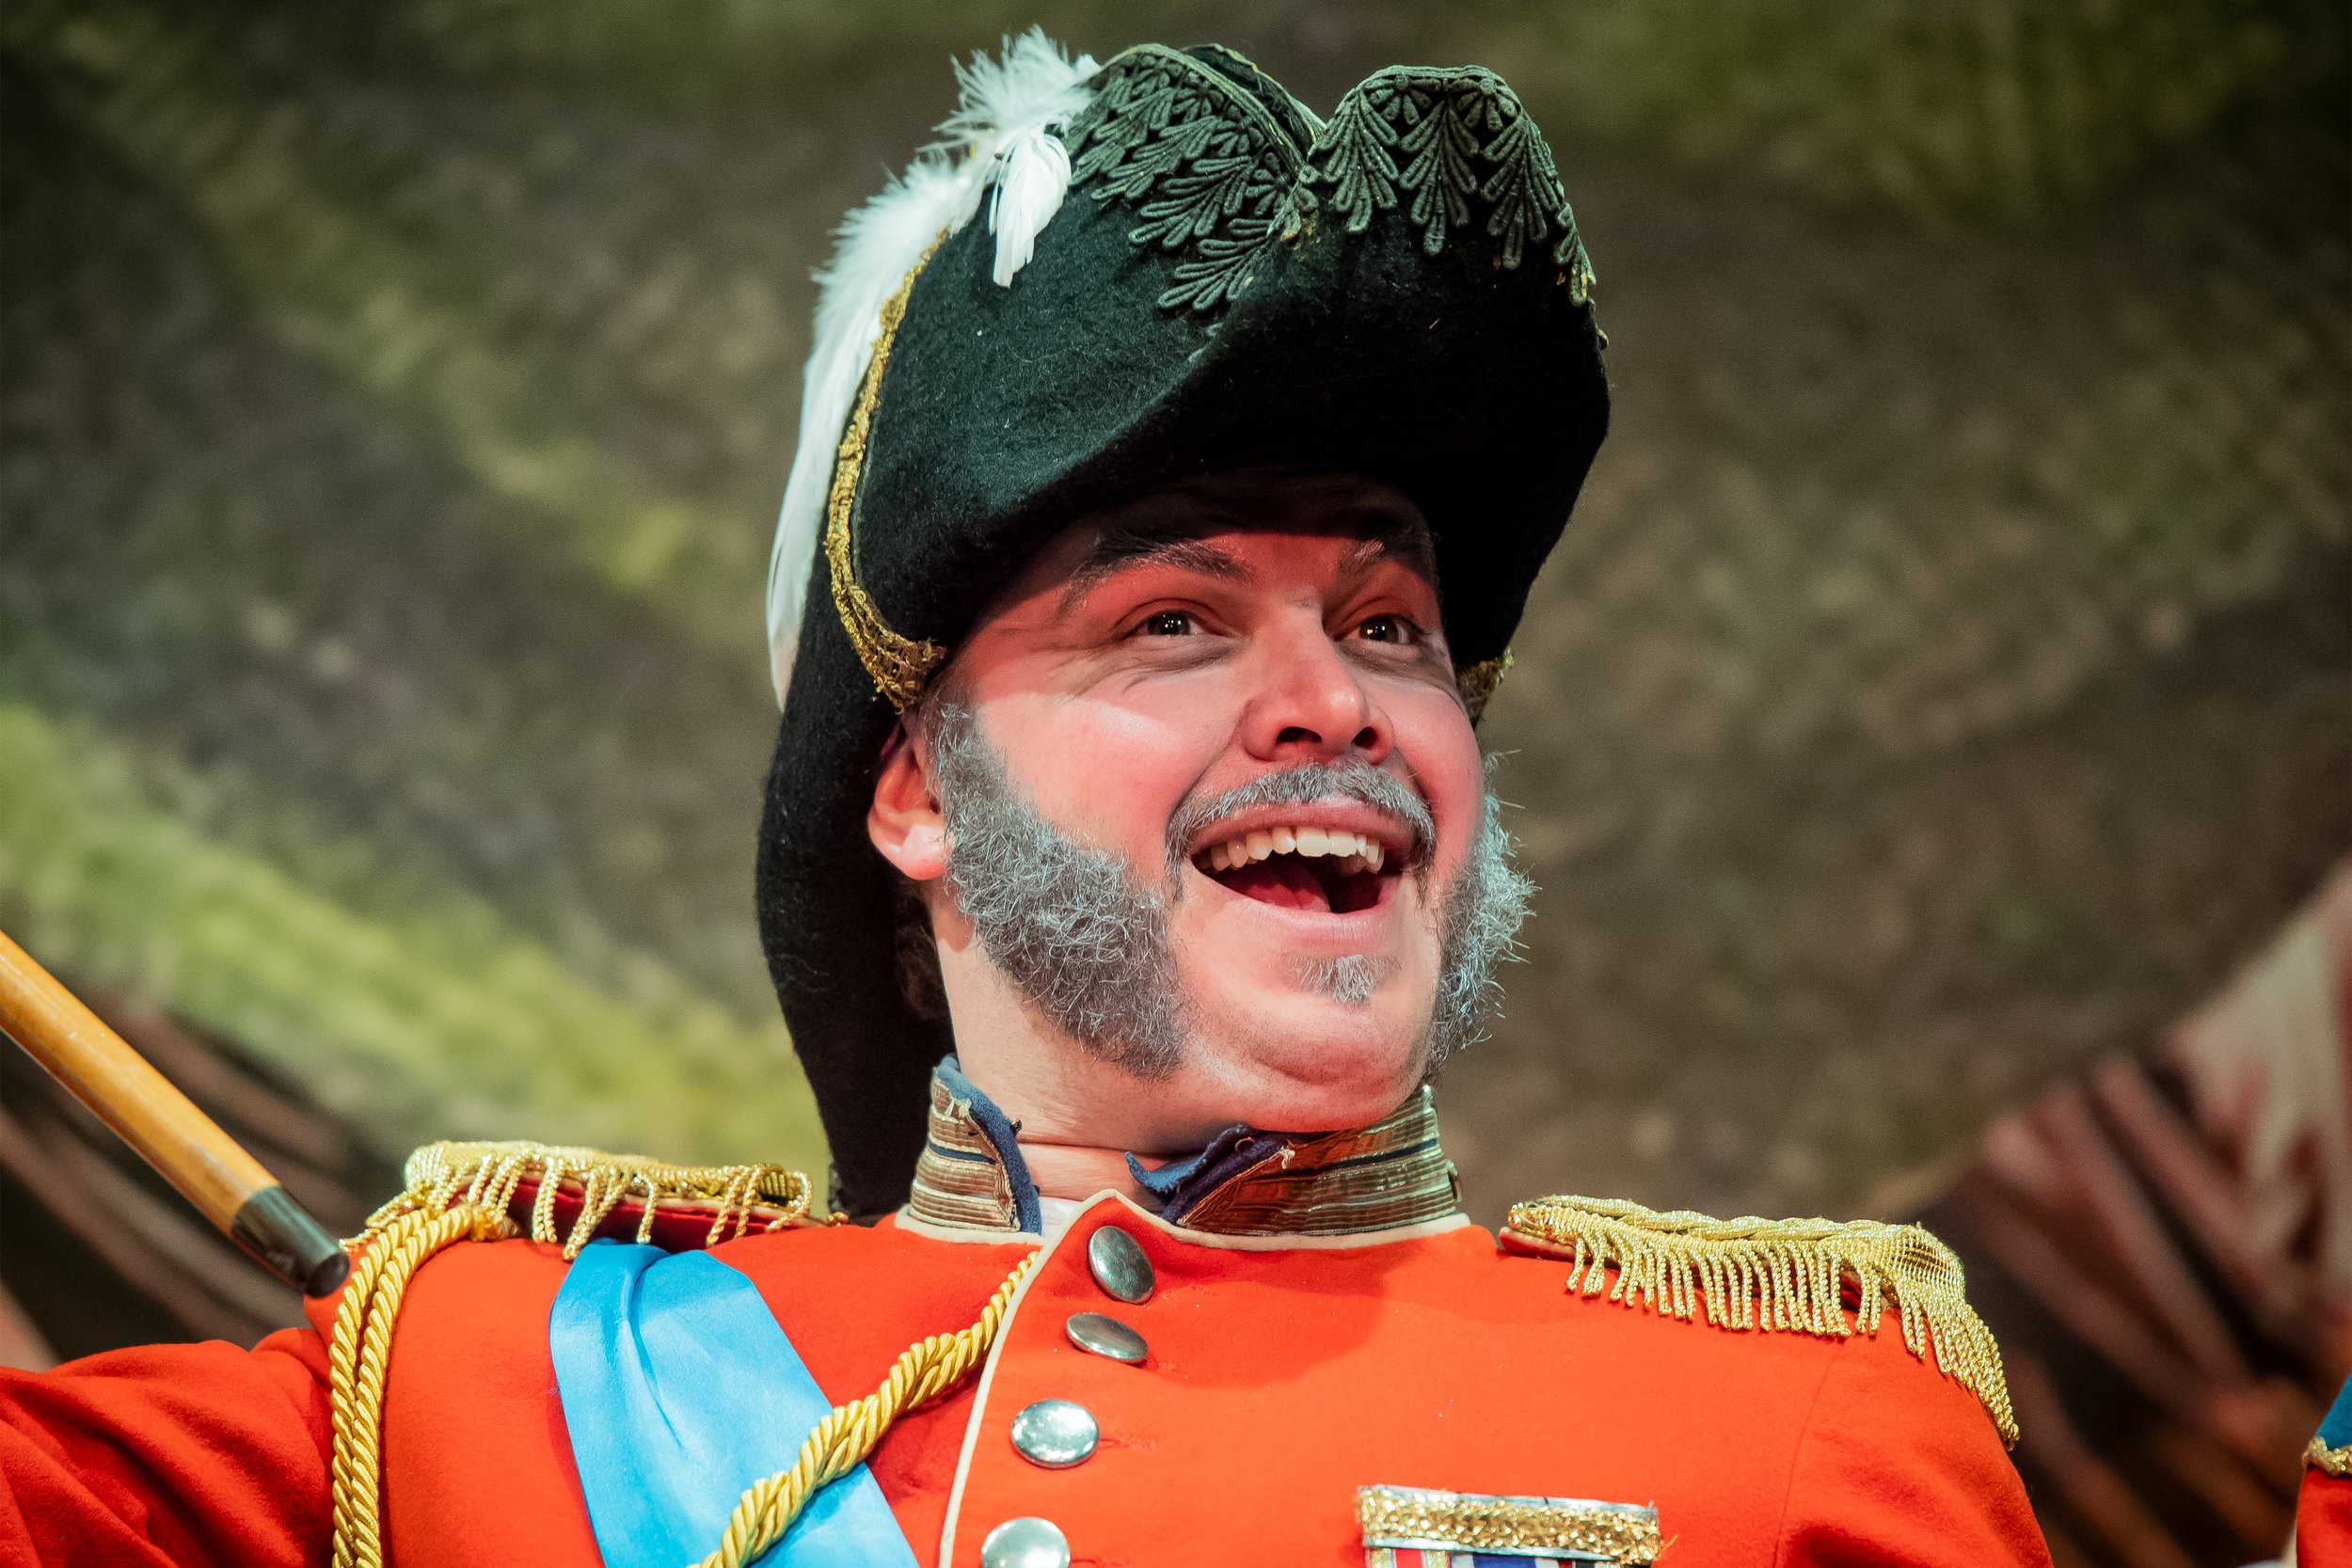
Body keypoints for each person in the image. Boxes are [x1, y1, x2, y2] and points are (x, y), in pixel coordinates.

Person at [0, 33, 2051, 1568]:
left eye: (1393, 622)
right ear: (911, 790)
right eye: (1173, 623)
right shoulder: (476, 1398)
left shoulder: (1812, 1424)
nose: (1328, 698)